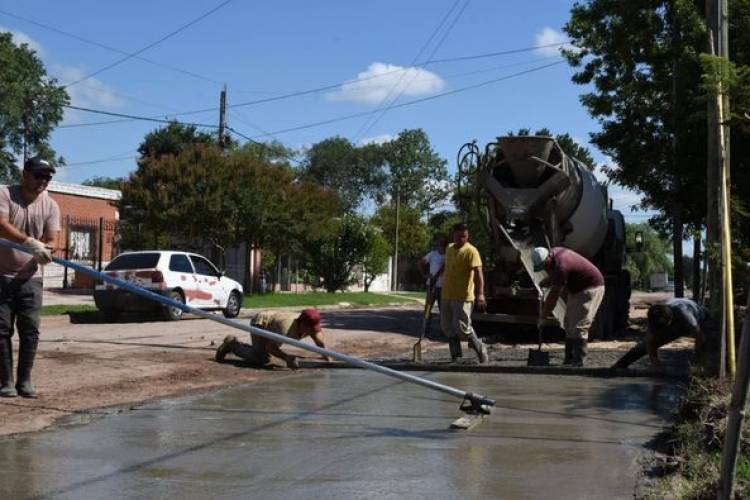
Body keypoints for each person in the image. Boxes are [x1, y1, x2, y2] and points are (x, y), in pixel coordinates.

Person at [0, 156, 60, 398]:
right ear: (25, 174)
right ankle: (5, 382)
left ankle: (24, 382)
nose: (43, 181)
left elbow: (54, 238)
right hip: (1, 274)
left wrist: (48, 249)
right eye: (39, 175)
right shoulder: (5, 194)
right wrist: (29, 242)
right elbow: (1, 224)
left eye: (47, 177)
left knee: (30, 331)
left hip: (31, 277)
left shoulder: (50, 205)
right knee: (1, 330)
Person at [533, 246, 605, 367]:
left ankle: (578, 362)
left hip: (591, 287)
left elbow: (553, 296)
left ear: (548, 257)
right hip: (577, 288)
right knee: (568, 323)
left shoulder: (561, 265)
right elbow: (559, 272)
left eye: (545, 265)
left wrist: (543, 317)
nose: (545, 268)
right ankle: (569, 360)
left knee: (579, 325)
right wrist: (550, 279)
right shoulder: (555, 254)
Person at [437, 223, 489, 364]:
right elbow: (445, 265)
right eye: (458, 236)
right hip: (447, 294)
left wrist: (481, 294)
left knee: (463, 328)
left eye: (464, 236)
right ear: (453, 235)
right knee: (447, 326)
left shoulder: (471, 251)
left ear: (467, 236)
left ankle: (480, 346)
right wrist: (434, 277)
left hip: (463, 296)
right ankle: (456, 356)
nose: (461, 239)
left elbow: (478, 273)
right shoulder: (449, 248)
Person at [215, 308, 329, 368]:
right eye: (310, 328)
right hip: (261, 322)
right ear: (302, 324)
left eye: (315, 328)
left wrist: (327, 358)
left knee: (263, 353)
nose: (313, 331)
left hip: (274, 321)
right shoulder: (286, 329)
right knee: (262, 359)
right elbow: (271, 347)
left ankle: (246, 348)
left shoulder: (310, 327)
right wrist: (286, 358)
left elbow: (319, 342)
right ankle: (232, 344)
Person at [612, 298, 708, 369]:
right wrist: (655, 362)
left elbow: (699, 336)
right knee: (643, 346)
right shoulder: (654, 314)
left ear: (670, 320)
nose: (660, 330)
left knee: (708, 345)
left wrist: (696, 358)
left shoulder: (685, 315)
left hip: (702, 319)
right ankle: (619, 366)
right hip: (672, 320)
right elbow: (649, 342)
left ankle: (707, 369)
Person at [419, 237, 447, 339]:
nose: (442, 248)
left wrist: (436, 276)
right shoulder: (432, 254)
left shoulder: (449, 256)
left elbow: (444, 267)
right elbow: (421, 263)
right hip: (431, 285)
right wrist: (425, 275)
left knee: (443, 310)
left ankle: (443, 331)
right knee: (428, 308)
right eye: (441, 246)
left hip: (443, 287)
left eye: (444, 246)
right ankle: (425, 331)